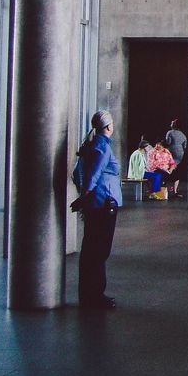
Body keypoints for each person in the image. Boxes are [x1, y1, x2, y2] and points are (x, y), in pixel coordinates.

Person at [74, 110, 123, 309]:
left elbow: (78, 173)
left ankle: (89, 295)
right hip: (104, 202)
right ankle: (94, 296)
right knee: (99, 251)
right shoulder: (102, 145)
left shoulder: (91, 145)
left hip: (97, 202)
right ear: (109, 126)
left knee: (91, 249)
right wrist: (85, 196)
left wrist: (84, 197)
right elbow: (93, 174)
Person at [165, 118, 188, 199]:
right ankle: (175, 191)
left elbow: (168, 142)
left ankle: (166, 190)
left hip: (171, 152)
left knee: (167, 170)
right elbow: (185, 146)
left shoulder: (170, 132)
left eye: (171, 123)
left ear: (174, 125)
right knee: (176, 171)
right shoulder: (183, 134)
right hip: (180, 153)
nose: (170, 124)